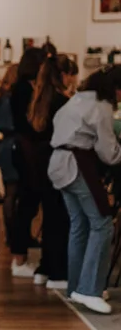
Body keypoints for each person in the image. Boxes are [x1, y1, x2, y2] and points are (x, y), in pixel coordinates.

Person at [49, 66, 121, 314]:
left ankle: (76, 287)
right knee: (103, 224)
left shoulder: (77, 100)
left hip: (58, 163)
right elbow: (109, 154)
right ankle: (89, 290)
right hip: (77, 164)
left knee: (79, 225)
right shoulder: (102, 107)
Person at [21, 54, 79, 288]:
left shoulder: (39, 99)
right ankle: (57, 272)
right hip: (58, 164)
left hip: (40, 163)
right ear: (63, 75)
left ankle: (45, 268)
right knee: (59, 218)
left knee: (50, 215)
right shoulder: (62, 102)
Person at [9, 47, 48, 277]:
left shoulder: (20, 88)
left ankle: (20, 256)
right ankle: (19, 259)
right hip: (28, 152)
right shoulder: (25, 89)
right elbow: (29, 125)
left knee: (25, 204)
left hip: (25, 151)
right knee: (26, 205)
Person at [0, 64, 21, 242]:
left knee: (9, 193)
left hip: (4, 146)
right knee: (18, 194)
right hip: (17, 145)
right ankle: (16, 235)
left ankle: (10, 235)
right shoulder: (16, 98)